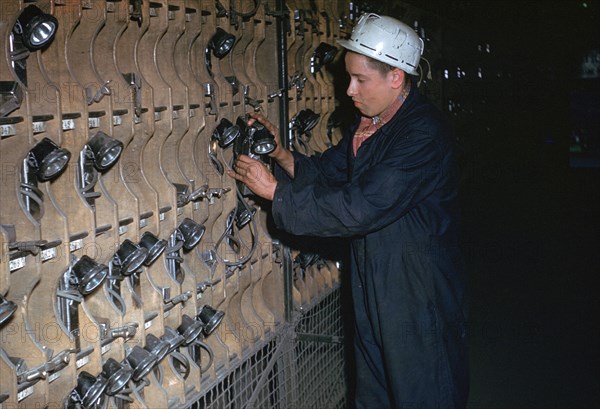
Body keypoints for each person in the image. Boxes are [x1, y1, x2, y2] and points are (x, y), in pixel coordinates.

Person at [228, 13, 469, 409]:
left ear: (396, 77)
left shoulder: (421, 133)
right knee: (374, 393)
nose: (350, 90)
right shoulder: (374, 123)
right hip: (372, 280)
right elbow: (329, 173)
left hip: (415, 290)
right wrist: (282, 155)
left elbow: (361, 207)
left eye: (361, 80)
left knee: (423, 393)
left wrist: (275, 193)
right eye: (348, 77)